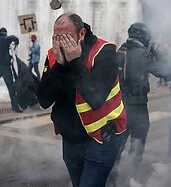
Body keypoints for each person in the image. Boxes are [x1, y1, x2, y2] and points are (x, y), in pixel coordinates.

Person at [37, 12, 127, 187]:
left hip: (102, 138)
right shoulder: (54, 54)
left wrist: (75, 62)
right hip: (70, 139)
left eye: (67, 38)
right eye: (57, 37)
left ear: (81, 34)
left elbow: (95, 98)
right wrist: (60, 67)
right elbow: (44, 99)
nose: (62, 43)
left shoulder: (104, 52)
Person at [116, 22, 169, 181]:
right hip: (137, 106)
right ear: (142, 36)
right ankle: (130, 178)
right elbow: (163, 71)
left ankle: (112, 177)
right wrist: (158, 53)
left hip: (119, 105)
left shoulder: (120, 50)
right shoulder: (142, 53)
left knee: (118, 145)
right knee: (137, 145)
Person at [0, 27, 21, 112]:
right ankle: (15, 106)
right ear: (5, 33)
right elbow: (14, 38)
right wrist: (16, 45)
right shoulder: (4, 40)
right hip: (5, 67)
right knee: (11, 87)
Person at [9, 40, 40, 110]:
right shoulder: (17, 61)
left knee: (18, 91)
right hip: (30, 82)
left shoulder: (14, 62)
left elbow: (18, 75)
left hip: (27, 82)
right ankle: (33, 104)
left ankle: (32, 104)